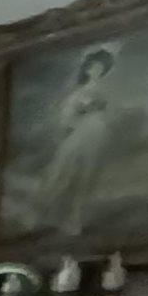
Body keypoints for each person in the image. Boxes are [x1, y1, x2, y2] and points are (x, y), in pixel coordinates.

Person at [30, 43, 127, 237]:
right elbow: (65, 119)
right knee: (63, 171)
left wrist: (103, 113)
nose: (96, 71)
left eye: (100, 68)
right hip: (79, 134)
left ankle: (74, 218)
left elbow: (113, 115)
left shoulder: (106, 92)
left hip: (98, 135)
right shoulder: (77, 92)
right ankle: (44, 213)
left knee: (86, 176)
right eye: (93, 67)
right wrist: (81, 111)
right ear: (87, 69)